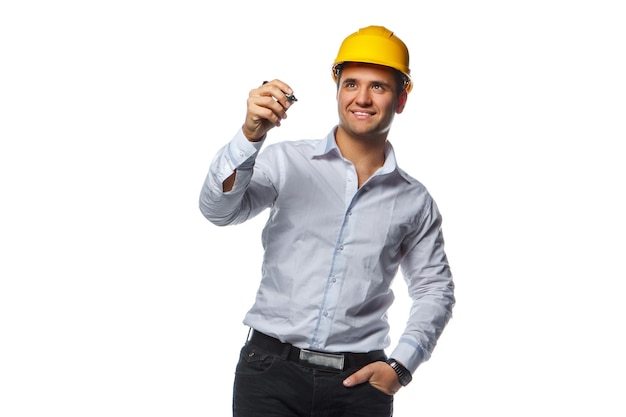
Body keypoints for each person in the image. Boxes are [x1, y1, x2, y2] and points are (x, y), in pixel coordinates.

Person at [199, 25, 455, 417]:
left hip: (359, 386)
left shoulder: (414, 201)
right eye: (351, 84)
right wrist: (250, 136)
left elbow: (435, 290)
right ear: (337, 90)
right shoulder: (286, 162)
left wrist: (401, 366)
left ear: (401, 98)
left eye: (379, 87)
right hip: (269, 376)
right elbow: (219, 210)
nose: (362, 98)